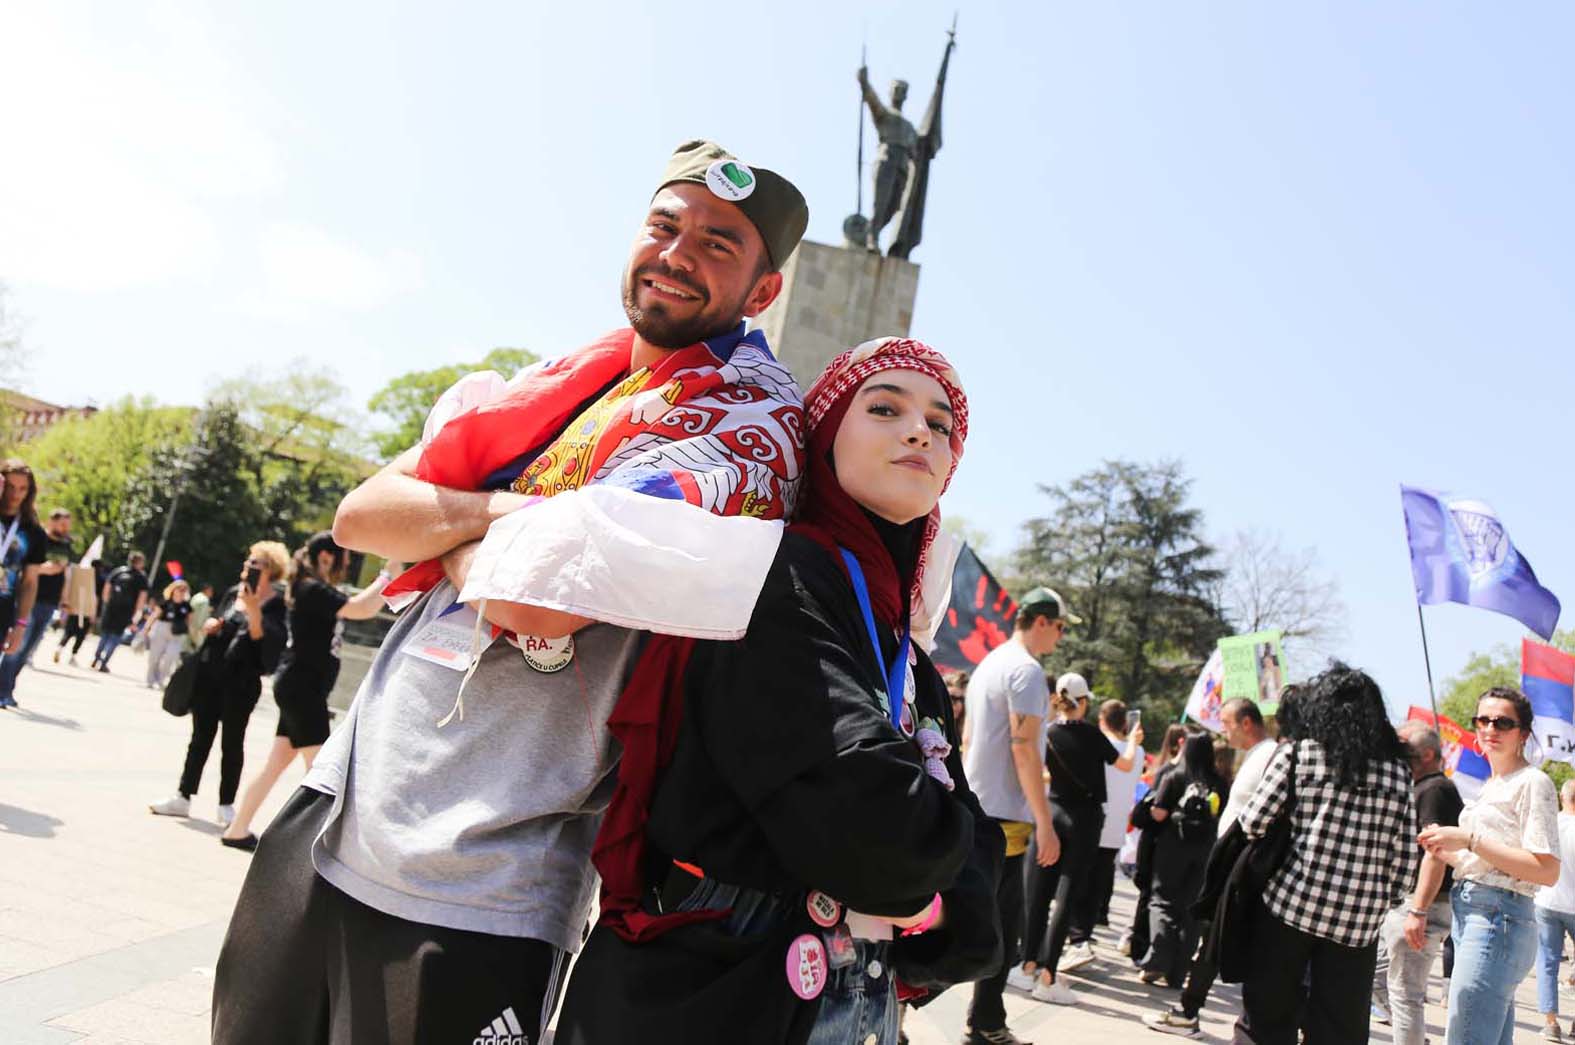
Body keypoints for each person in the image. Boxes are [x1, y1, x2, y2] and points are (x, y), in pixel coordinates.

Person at [210, 138, 809, 1045]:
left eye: (718, 243)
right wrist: (516, 510)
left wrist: (457, 527)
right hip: (335, 808)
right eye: (663, 225)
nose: (677, 253)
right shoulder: (569, 381)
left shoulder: (747, 420)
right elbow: (364, 515)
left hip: (485, 874)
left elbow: (539, 600)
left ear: (763, 290)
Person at [555, 337, 1000, 1044]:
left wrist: (930, 894)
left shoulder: (907, 654)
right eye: (884, 407)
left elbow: (981, 910)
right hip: (715, 995)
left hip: (855, 1003)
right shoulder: (771, 577)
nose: (920, 430)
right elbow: (876, 829)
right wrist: (932, 889)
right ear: (823, 438)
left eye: (941, 424)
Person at [1234, 664, 1416, 1044]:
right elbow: (1403, 867)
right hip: (1357, 925)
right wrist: (1382, 897)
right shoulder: (1399, 774)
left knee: (1266, 1021)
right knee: (1338, 1031)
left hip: (1289, 907)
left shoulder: (1299, 756)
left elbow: (1252, 823)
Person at [219, 533, 396, 851]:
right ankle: (316, 847)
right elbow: (361, 608)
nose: (346, 565)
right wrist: (389, 571)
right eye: (344, 558)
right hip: (303, 687)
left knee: (277, 765)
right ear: (326, 557)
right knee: (324, 771)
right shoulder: (311, 588)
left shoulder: (312, 587)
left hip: (298, 685)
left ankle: (238, 829)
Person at [960, 588, 1072, 1044]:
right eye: (1061, 627)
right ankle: (984, 1021)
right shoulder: (1025, 671)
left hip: (981, 810)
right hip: (1003, 819)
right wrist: (1045, 823)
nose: (1060, 638)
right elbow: (1024, 749)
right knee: (995, 931)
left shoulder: (993, 662)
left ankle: (986, 1018)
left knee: (984, 924)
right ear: (1041, 621)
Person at [1421, 686, 1561, 1045]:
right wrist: (1447, 849)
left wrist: (1469, 841)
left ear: (1523, 733)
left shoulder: (1533, 782)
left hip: (1499, 918)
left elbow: (1546, 869)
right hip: (1477, 915)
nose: (1489, 729)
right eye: (1482, 720)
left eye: (1502, 722)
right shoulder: (1491, 785)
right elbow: (1489, 863)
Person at [1146, 697, 1275, 1035]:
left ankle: (1191, 1010)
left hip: (1240, 863)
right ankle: (1190, 1009)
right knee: (1210, 939)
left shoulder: (1269, 755)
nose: (1224, 732)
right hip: (1227, 860)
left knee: (1215, 940)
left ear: (1246, 723)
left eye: (1228, 723)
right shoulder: (1257, 756)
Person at [1014, 673, 1143, 1004]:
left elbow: (1039, 770)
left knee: (1039, 894)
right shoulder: (1092, 735)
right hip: (1084, 820)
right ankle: (1049, 975)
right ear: (1083, 701)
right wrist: (1134, 742)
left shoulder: (1048, 733)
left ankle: (1028, 964)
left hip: (1052, 812)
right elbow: (1127, 765)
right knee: (1066, 897)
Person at [148, 543, 289, 827]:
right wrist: (214, 624)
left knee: (232, 744)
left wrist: (253, 611)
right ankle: (183, 796)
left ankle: (226, 805)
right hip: (210, 675)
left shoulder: (275, 604)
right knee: (199, 738)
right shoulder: (232, 593)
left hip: (242, 683)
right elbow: (223, 622)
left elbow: (265, 644)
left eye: (256, 564)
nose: (248, 567)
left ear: (271, 570)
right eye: (248, 562)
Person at [1366, 722, 1463, 1044]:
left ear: (1428, 754)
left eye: (1404, 747)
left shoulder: (1435, 789)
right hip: (1413, 902)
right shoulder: (1423, 787)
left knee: (1405, 994)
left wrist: (1418, 910)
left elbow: (1435, 852)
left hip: (1425, 903)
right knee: (1377, 979)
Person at [1138, 731, 1225, 990]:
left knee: (1162, 901)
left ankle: (1157, 959)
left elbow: (1159, 813)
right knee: (1191, 910)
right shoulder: (1220, 782)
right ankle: (1178, 972)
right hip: (1204, 851)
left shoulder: (1175, 777)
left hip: (1172, 848)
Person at [1065, 699, 1144, 961]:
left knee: (1080, 880)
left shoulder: (1095, 744)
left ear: (1101, 719)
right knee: (1098, 882)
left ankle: (1076, 936)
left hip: (1091, 821)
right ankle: (1083, 934)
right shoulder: (1137, 752)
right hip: (1116, 826)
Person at [1122, 723, 1187, 962]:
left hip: (1157, 841)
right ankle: (1139, 944)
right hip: (1155, 840)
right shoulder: (1170, 772)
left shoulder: (1168, 771)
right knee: (1148, 893)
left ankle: (1138, 943)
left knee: (1149, 894)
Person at [0, 505, 70, 706]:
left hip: (50, 603)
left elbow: (65, 573)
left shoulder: (65, 545)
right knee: (17, 647)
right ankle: (2, 690)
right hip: (31, 598)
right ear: (52, 521)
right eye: (62, 524)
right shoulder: (39, 538)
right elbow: (26, 569)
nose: (65, 528)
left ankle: (8, 688)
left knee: (28, 650)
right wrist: (45, 570)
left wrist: (65, 599)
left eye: (68, 525)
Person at [0, 461, 46, 708]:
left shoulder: (33, 532)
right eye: (10, 486)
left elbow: (29, 582)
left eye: (22, 488)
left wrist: (20, 624)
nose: (15, 494)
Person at [1535, 780, 1575, 1042]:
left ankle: (1551, 1023)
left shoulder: (1551, 825)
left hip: (1547, 900)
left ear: (1562, 797)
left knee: (1547, 962)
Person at [91, 550, 148, 672]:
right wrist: (136, 616)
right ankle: (104, 662)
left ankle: (97, 657)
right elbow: (141, 599)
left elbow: (106, 589)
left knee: (105, 634)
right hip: (126, 611)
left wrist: (107, 604)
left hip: (111, 607)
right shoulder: (141, 578)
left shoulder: (118, 571)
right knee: (115, 637)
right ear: (140, 563)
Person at [143, 580, 192, 689]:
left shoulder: (187, 606)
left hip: (177, 633)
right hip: (161, 628)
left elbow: (189, 622)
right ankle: (150, 680)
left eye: (184, 590)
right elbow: (154, 615)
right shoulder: (165, 602)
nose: (181, 592)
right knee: (154, 657)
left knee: (171, 657)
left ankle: (161, 679)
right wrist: (147, 628)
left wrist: (190, 635)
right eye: (179, 589)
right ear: (173, 589)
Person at [53, 560, 98, 666]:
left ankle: (59, 648)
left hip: (74, 608)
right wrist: (93, 614)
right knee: (80, 636)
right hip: (86, 611)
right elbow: (96, 598)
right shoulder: (94, 579)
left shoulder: (77, 576)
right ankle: (72, 656)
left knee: (68, 633)